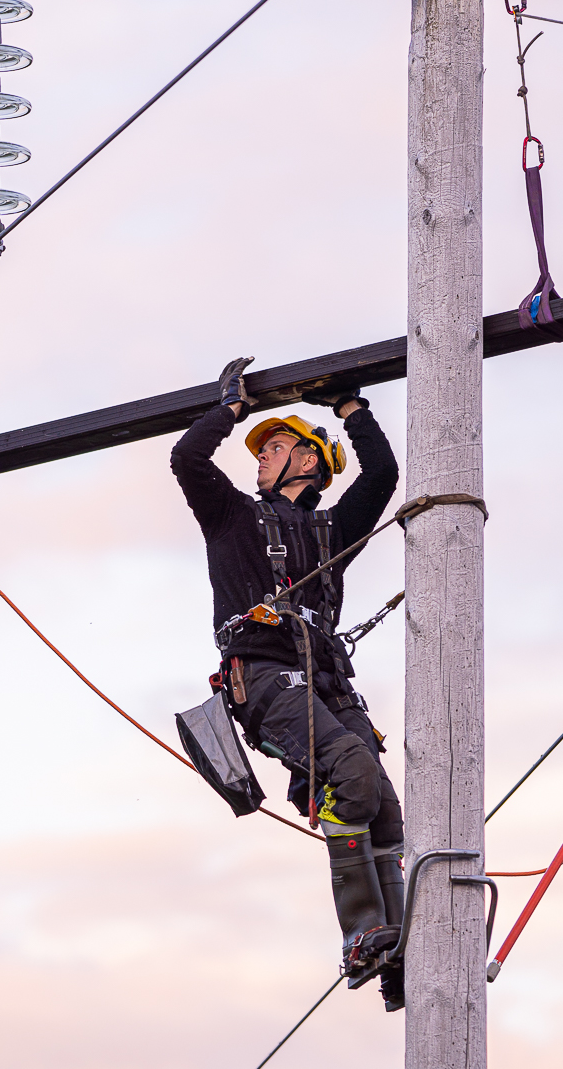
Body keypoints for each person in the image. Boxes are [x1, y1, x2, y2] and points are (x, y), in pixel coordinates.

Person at [170, 356, 406, 1009]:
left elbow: (382, 475)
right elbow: (188, 459)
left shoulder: (332, 532)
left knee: (386, 808)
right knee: (351, 770)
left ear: (310, 462)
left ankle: (402, 951)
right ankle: (363, 932)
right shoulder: (232, 517)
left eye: (275, 448)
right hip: (265, 677)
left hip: (327, 686)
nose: (261, 458)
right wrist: (229, 408)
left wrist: (351, 408)